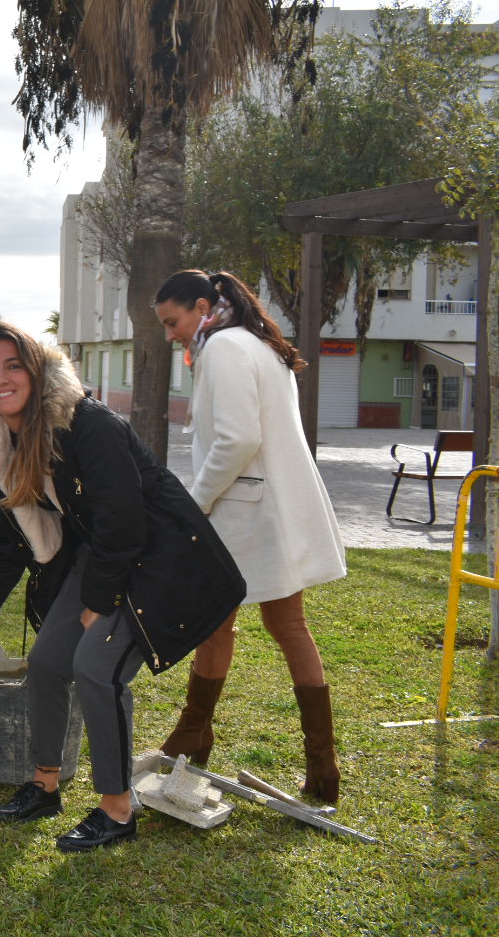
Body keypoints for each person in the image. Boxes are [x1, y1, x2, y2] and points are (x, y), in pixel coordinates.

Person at [0, 321, 244, 851]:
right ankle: (45, 783)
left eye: (14, 365)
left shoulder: (89, 423)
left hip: (157, 557)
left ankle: (117, 809)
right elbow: (7, 546)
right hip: (100, 556)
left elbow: (124, 522)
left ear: (37, 372)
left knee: (95, 668)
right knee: (46, 663)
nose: (2, 378)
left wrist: (97, 604)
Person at [152, 270, 346, 802]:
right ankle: (321, 767)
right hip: (271, 509)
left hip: (246, 512)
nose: (170, 334)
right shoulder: (258, 344)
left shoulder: (223, 347)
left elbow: (238, 440)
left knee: (219, 626)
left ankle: (192, 738)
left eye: (173, 321)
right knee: (286, 627)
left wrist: (195, 505)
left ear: (200, 306)